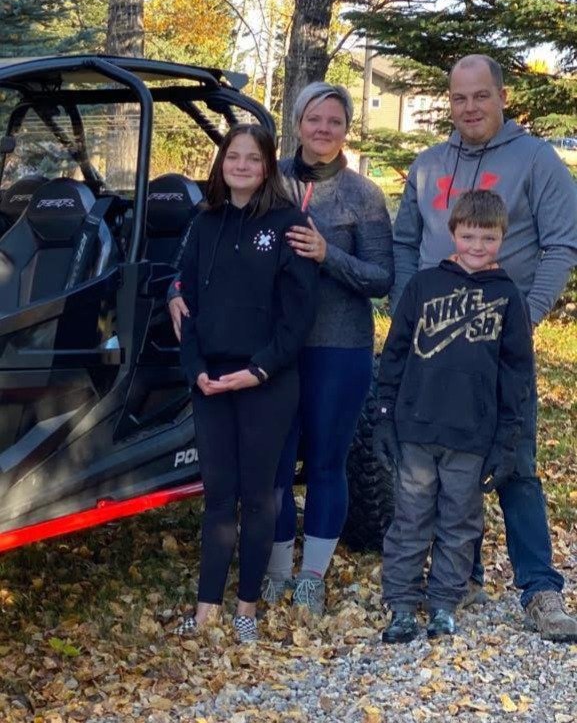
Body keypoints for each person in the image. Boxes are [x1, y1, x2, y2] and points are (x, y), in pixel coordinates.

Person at [390, 53, 577, 642]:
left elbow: (563, 244)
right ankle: (458, 579)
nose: (469, 108)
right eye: (458, 98)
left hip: (497, 350)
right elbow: (404, 241)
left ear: (502, 96)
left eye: (480, 96)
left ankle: (539, 588)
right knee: (437, 471)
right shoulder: (429, 165)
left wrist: (523, 316)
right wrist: (405, 307)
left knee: (513, 461)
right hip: (431, 350)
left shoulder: (537, 161)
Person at [173, 124, 318, 644]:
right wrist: (196, 371)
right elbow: (184, 301)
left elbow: (298, 315)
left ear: (267, 167)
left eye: (251, 159)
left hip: (265, 380)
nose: (240, 165)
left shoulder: (287, 225)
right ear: (221, 165)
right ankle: (207, 605)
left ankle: (246, 609)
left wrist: (259, 369)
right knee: (217, 498)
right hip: (210, 380)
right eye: (232, 156)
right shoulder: (204, 221)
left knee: (258, 498)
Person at [375, 189, 534, 643]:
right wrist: (385, 416)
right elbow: (396, 353)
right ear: (453, 233)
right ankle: (402, 606)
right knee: (410, 520)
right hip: (416, 428)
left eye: (488, 237)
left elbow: (516, 374)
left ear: (503, 238)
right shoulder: (425, 286)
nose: (478, 246)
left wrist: (506, 440)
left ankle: (445, 603)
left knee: (460, 523)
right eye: (469, 235)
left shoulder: (508, 298)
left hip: (471, 435)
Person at [262, 81, 394, 615]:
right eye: (314, 119)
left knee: (325, 462)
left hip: (339, 347)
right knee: (272, 463)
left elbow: (381, 276)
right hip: (275, 348)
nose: (323, 130)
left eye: (334, 122)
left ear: (346, 129)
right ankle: (273, 570)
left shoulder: (364, 195)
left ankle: (312, 575)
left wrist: (326, 254)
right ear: (298, 122)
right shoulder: (271, 181)